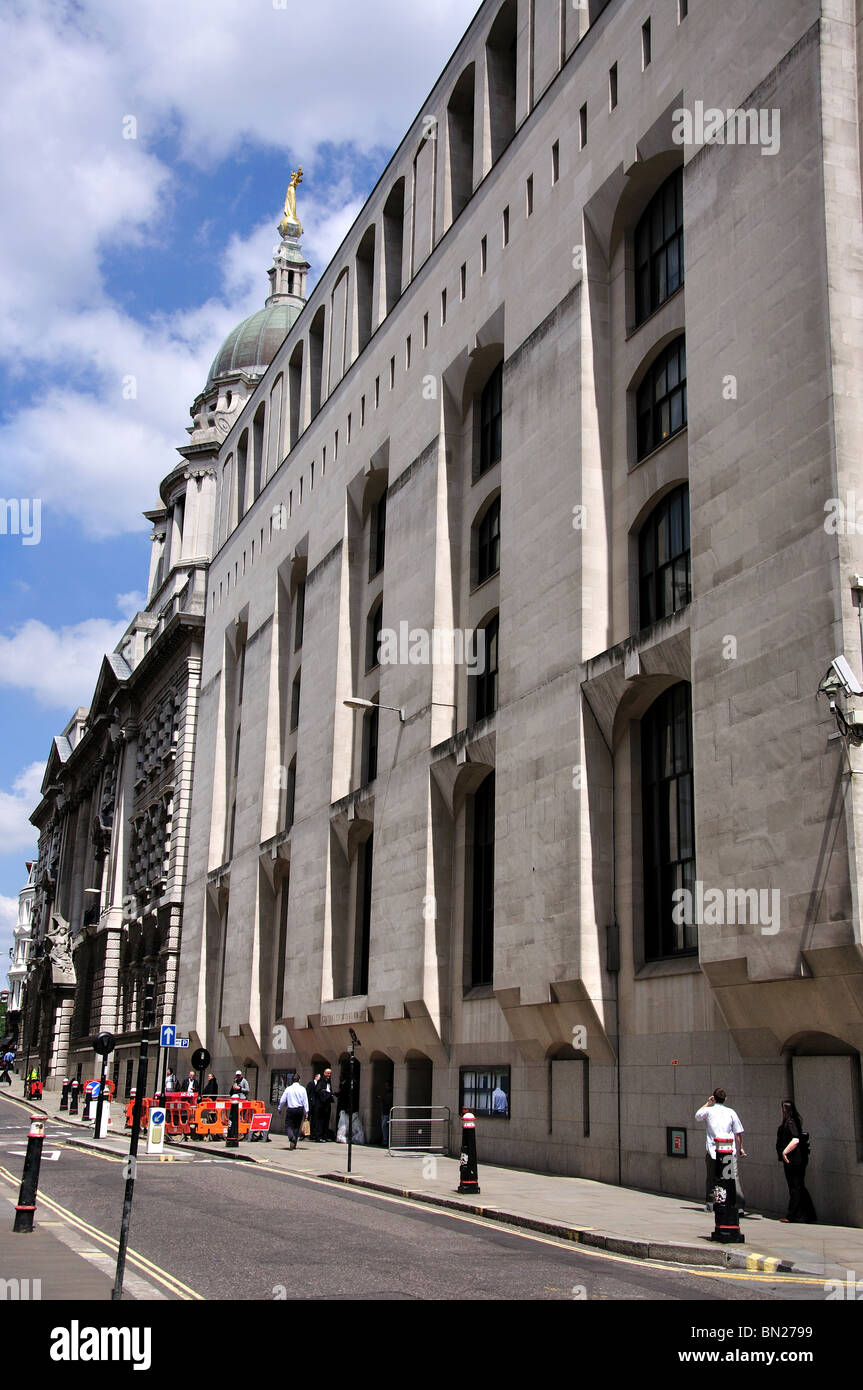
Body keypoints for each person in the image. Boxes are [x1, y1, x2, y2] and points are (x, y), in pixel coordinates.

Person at [695, 1088, 746, 1211]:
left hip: (714, 1150)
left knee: (712, 1177)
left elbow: (697, 1116)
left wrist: (708, 1103)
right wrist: (741, 1148)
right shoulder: (731, 1112)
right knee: (732, 1177)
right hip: (729, 1151)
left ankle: (712, 1203)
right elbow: (738, 1132)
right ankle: (738, 1205)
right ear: (725, 1099)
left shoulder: (708, 1111)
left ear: (713, 1098)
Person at [776, 1100, 817, 1223]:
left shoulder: (791, 1123)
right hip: (793, 1158)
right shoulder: (791, 1122)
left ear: (785, 1110)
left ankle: (793, 1215)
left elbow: (796, 1139)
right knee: (798, 1186)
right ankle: (808, 1214)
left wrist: (784, 1152)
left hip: (794, 1159)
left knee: (796, 1186)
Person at [278, 1072, 309, 1149]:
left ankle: (292, 1138)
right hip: (300, 1109)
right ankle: (294, 1143)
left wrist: (279, 1108)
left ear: (292, 1080)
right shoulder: (302, 1089)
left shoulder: (288, 1089)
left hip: (291, 1109)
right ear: (299, 1080)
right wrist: (306, 1112)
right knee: (296, 1126)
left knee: (288, 1125)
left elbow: (282, 1100)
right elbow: (305, 1101)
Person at [308, 1067, 335, 1141]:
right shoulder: (321, 1081)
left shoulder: (328, 1081)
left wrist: (330, 1094)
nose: (329, 1075)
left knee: (326, 1120)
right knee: (320, 1121)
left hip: (327, 1104)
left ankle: (324, 1136)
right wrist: (327, 1094)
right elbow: (318, 1091)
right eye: (328, 1073)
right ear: (324, 1073)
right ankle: (318, 1136)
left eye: (330, 1073)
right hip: (321, 1105)